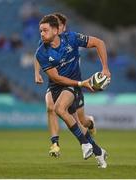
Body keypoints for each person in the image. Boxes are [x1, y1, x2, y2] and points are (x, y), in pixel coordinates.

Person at [35, 15, 111, 168]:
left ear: (56, 30)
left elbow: (99, 43)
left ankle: (83, 144)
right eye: (40, 31)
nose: (41, 34)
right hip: (59, 85)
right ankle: (98, 151)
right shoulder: (41, 52)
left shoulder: (71, 38)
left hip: (72, 85)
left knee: (58, 109)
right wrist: (81, 83)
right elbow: (57, 78)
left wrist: (105, 68)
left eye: (45, 30)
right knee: (75, 122)